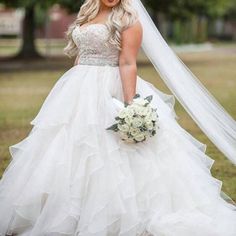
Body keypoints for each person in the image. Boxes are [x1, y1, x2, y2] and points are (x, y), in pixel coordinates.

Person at [0, 0, 236, 235]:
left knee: (113, 152)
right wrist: (74, 85)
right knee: (65, 148)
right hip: (78, 87)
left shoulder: (129, 20)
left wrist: (130, 106)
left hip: (112, 87)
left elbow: (127, 62)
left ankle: (117, 212)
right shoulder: (86, 13)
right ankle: (65, 210)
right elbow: (81, 55)